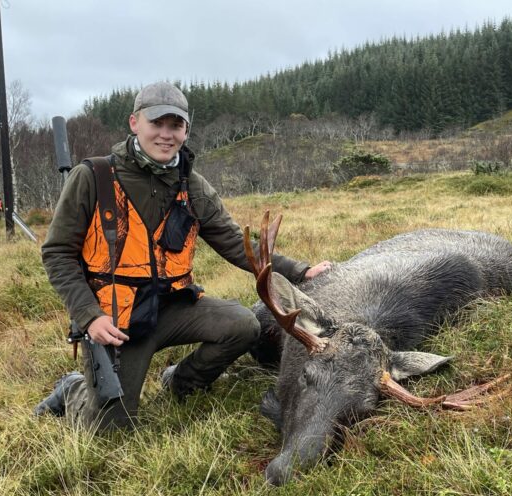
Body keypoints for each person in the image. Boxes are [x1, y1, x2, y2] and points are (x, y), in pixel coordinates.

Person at [34, 81, 331, 430]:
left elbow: (234, 243)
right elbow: (58, 253)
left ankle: (182, 381)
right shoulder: (93, 177)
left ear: (186, 130)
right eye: (156, 123)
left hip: (172, 306)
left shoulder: (192, 185)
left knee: (244, 325)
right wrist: (89, 316)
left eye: (175, 125)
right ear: (134, 123)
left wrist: (300, 271)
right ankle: (72, 389)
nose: (166, 134)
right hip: (117, 321)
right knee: (110, 428)